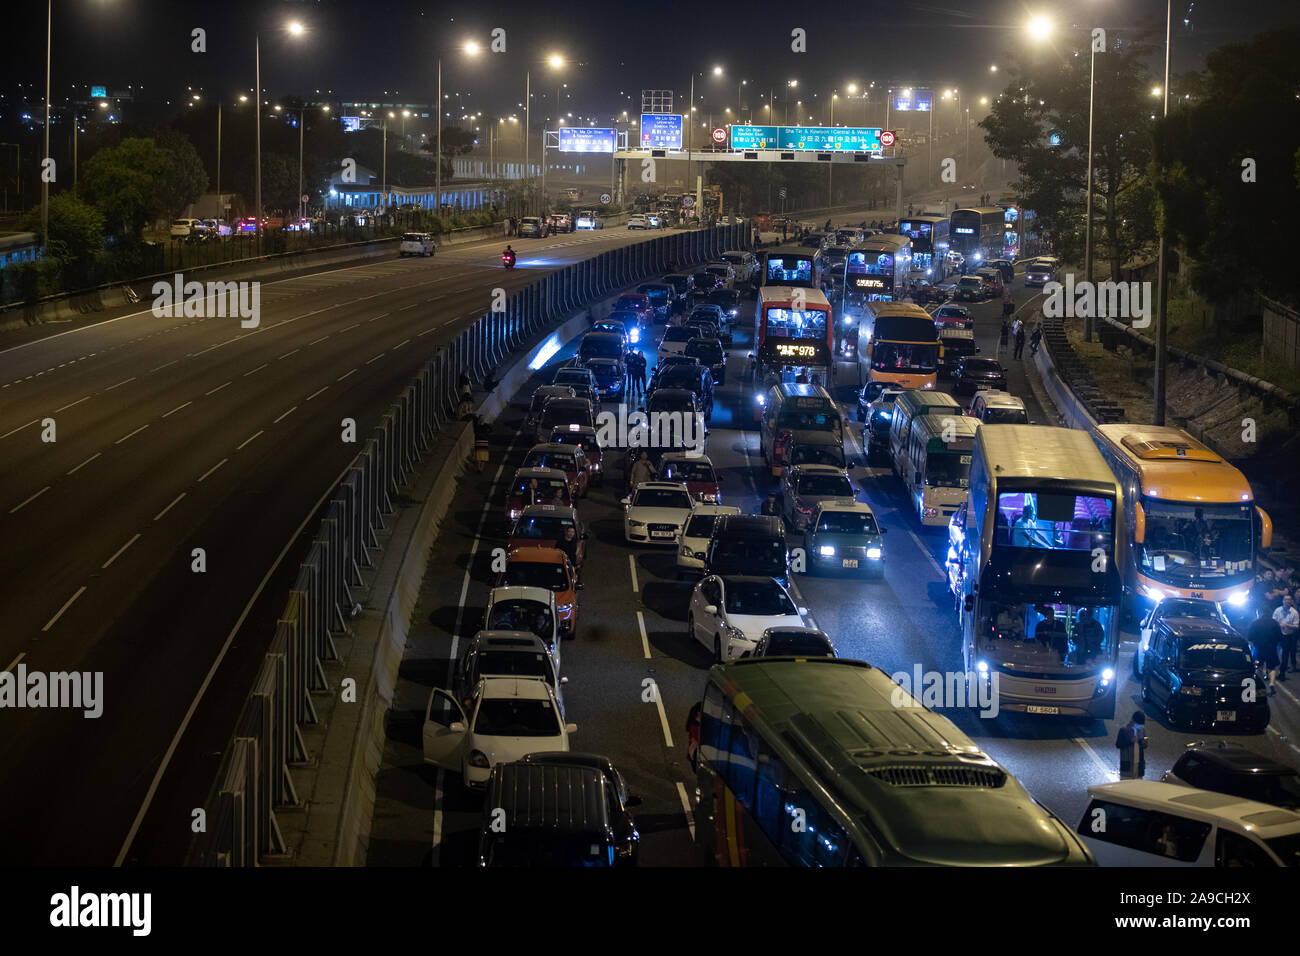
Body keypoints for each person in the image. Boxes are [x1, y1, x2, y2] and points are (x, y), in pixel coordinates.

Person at [1116, 711, 1148, 780]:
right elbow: (1118, 744)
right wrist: (1130, 741)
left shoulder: (1142, 729)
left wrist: (1143, 741)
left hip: (1139, 765)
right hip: (1127, 765)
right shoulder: (1123, 730)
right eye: (1137, 724)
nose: (1139, 726)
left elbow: (1146, 738)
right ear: (1133, 720)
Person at [1273, 594, 1298, 680]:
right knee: (1275, 653)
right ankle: (1272, 671)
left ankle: (1282, 673)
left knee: (1285, 655)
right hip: (1278, 635)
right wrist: (1279, 625)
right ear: (1283, 601)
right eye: (1285, 600)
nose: (1287, 601)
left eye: (1289, 600)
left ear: (1291, 602)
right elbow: (1274, 621)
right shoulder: (1278, 610)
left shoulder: (1294, 612)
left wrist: (1287, 625)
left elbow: (1296, 626)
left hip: (1288, 636)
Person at [685, 701, 702, 769]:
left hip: (695, 753)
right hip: (696, 754)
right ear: (698, 713)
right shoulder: (695, 727)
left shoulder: (695, 722)